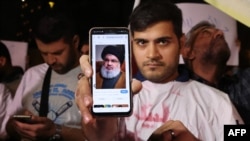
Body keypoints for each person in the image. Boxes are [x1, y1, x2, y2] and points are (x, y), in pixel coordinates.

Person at [75, 0, 243, 141]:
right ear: (131, 44)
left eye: (163, 42)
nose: (152, 54)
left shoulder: (218, 102)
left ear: (181, 42)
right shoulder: (117, 92)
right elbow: (98, 135)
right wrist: (95, 110)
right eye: (142, 42)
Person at [5, 11, 86, 141]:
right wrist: (17, 125)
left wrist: (56, 130)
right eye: (44, 53)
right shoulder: (32, 75)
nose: (50, 60)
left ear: (75, 42)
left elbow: (106, 137)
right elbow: (7, 128)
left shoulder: (94, 76)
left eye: (58, 52)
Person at [181, 20, 250, 124]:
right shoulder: (178, 91)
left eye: (220, 33)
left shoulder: (239, 86)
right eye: (206, 33)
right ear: (189, 52)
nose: (220, 33)